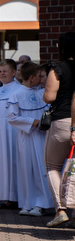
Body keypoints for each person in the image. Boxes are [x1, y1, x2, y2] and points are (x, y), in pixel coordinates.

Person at [8, 61, 53, 216]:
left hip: (41, 136)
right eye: (40, 76)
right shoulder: (16, 94)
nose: (42, 79)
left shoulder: (43, 93)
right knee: (26, 169)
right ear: (31, 77)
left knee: (41, 168)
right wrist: (31, 122)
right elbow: (12, 117)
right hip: (25, 136)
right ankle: (28, 203)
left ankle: (42, 203)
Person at [43, 32, 75, 228]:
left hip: (62, 121)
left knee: (52, 166)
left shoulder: (57, 68)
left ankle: (61, 209)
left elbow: (49, 97)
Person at [0, 59, 20, 208]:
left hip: (13, 131)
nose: (2, 74)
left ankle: (17, 196)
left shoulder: (19, 90)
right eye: (0, 71)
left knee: (14, 162)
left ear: (13, 72)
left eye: (5, 71)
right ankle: (5, 197)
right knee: (1, 162)